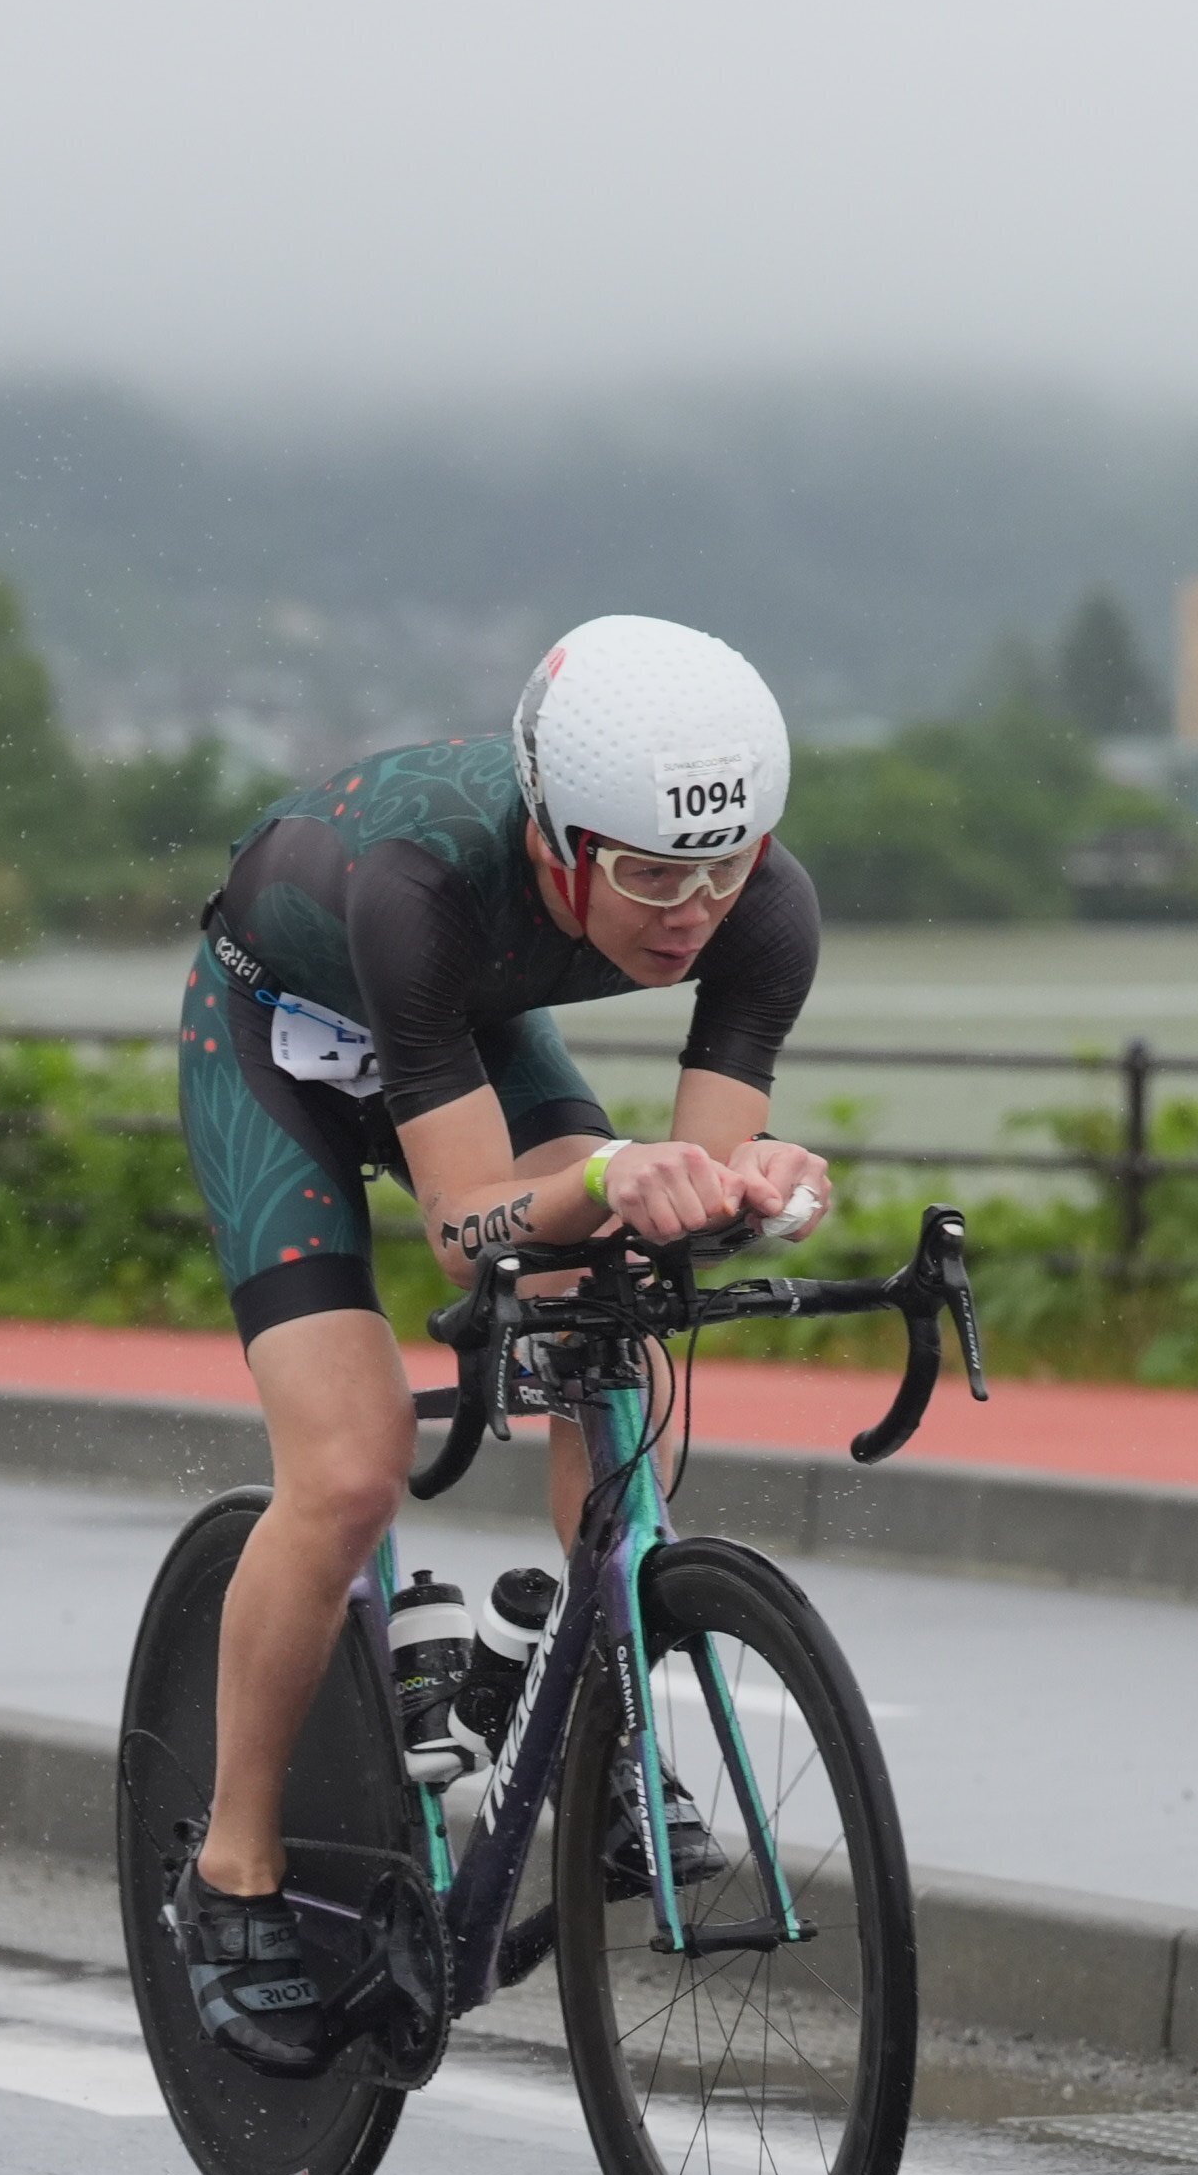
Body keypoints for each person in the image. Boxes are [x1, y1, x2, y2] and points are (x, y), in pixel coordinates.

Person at [168, 615, 833, 2073]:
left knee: (630, 1353)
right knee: (349, 1470)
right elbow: (472, 1227)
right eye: (655, 877)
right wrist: (603, 1177)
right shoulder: (419, 884)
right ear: (557, 840)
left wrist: (758, 1188)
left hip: (465, 1032)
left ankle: (573, 1676)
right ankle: (230, 1877)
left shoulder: (760, 907)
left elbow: (678, 1219)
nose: (693, 914)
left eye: (726, 870)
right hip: (283, 1043)